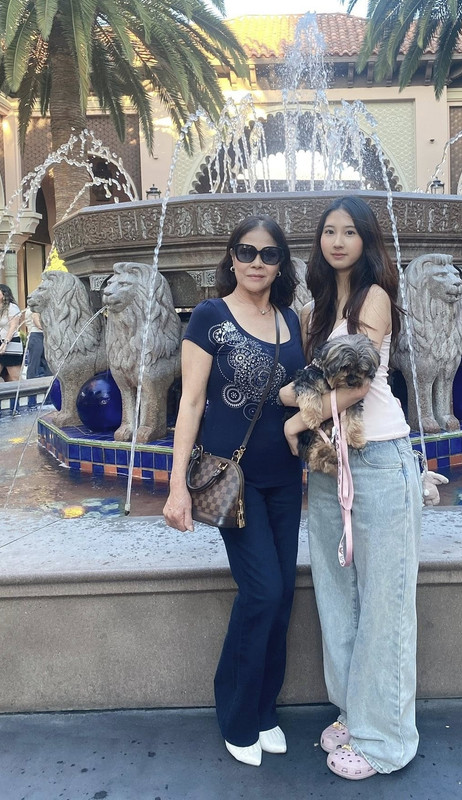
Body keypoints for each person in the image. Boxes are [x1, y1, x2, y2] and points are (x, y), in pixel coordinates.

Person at [281, 196, 422, 781]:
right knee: (338, 597)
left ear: (367, 240)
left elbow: (357, 383)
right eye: (328, 232)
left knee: (385, 603)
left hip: (380, 460)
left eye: (349, 232)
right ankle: (354, 711)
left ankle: (386, 740)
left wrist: (295, 415)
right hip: (329, 464)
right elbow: (313, 379)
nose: (337, 241)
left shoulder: (374, 298)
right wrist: (300, 400)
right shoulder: (319, 308)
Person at [163, 216, 305, 767]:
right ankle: (239, 716)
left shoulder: (290, 319)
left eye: (268, 254)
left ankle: (265, 710)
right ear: (231, 256)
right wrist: (176, 487)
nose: (256, 262)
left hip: (285, 479)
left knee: (282, 595)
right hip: (234, 482)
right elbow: (191, 403)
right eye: (246, 251)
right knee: (263, 592)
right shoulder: (210, 316)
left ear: (281, 264)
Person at [22, 305, 52, 379]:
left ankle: (48, 379)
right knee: (35, 361)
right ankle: (32, 379)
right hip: (37, 334)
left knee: (44, 360)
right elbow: (37, 323)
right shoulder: (35, 309)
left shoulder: (33, 308)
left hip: (39, 335)